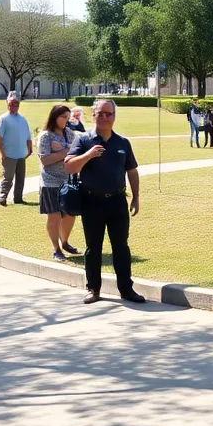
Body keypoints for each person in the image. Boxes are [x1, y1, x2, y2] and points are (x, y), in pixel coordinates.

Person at [64, 99, 146, 304]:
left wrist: (136, 197)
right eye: (100, 113)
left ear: (114, 117)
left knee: (121, 246)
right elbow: (69, 167)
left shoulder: (122, 143)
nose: (105, 117)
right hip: (92, 201)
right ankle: (93, 289)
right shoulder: (84, 140)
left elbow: (132, 171)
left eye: (109, 114)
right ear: (93, 116)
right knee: (94, 247)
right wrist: (89, 155)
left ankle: (126, 289)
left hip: (117, 201)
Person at [38, 104, 80, 261]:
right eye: (63, 117)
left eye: (68, 117)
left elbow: (77, 150)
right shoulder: (46, 136)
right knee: (54, 215)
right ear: (55, 117)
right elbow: (45, 160)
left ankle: (65, 242)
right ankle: (56, 249)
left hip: (68, 180)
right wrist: (65, 152)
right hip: (50, 182)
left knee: (70, 213)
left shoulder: (69, 133)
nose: (66, 121)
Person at [0, 96, 32, 206]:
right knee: (8, 177)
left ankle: (18, 198)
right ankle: (3, 197)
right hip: (9, 154)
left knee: (20, 178)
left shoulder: (22, 119)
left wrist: (29, 149)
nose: (13, 107)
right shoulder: (3, 119)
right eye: (11, 104)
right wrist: (2, 153)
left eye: (15, 104)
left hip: (21, 154)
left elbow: (28, 136)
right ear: (7, 104)